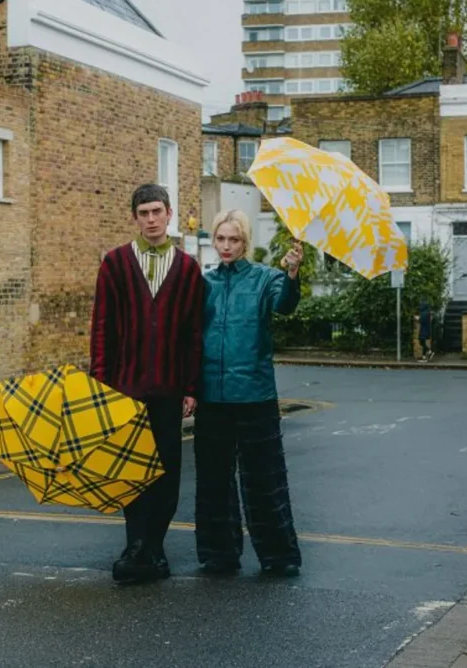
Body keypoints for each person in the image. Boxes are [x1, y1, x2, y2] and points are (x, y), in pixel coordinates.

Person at [90, 184, 203, 584]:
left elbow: (193, 333)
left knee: (167, 473)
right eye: (144, 213)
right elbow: (101, 329)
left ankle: (154, 545)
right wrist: (100, 386)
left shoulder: (188, 268)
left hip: (169, 390)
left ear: (170, 214)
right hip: (125, 391)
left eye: (157, 211)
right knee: (130, 471)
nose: (151, 219)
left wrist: (192, 387)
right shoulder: (116, 264)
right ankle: (136, 546)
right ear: (134, 217)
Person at [194, 210, 303, 577]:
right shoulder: (203, 283)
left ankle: (278, 555)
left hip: (255, 394)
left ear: (245, 242)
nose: (226, 246)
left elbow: (284, 304)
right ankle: (218, 553)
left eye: (234, 240)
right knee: (213, 481)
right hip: (212, 395)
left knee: (264, 479)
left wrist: (291, 272)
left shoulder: (264, 278)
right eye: (221, 239)